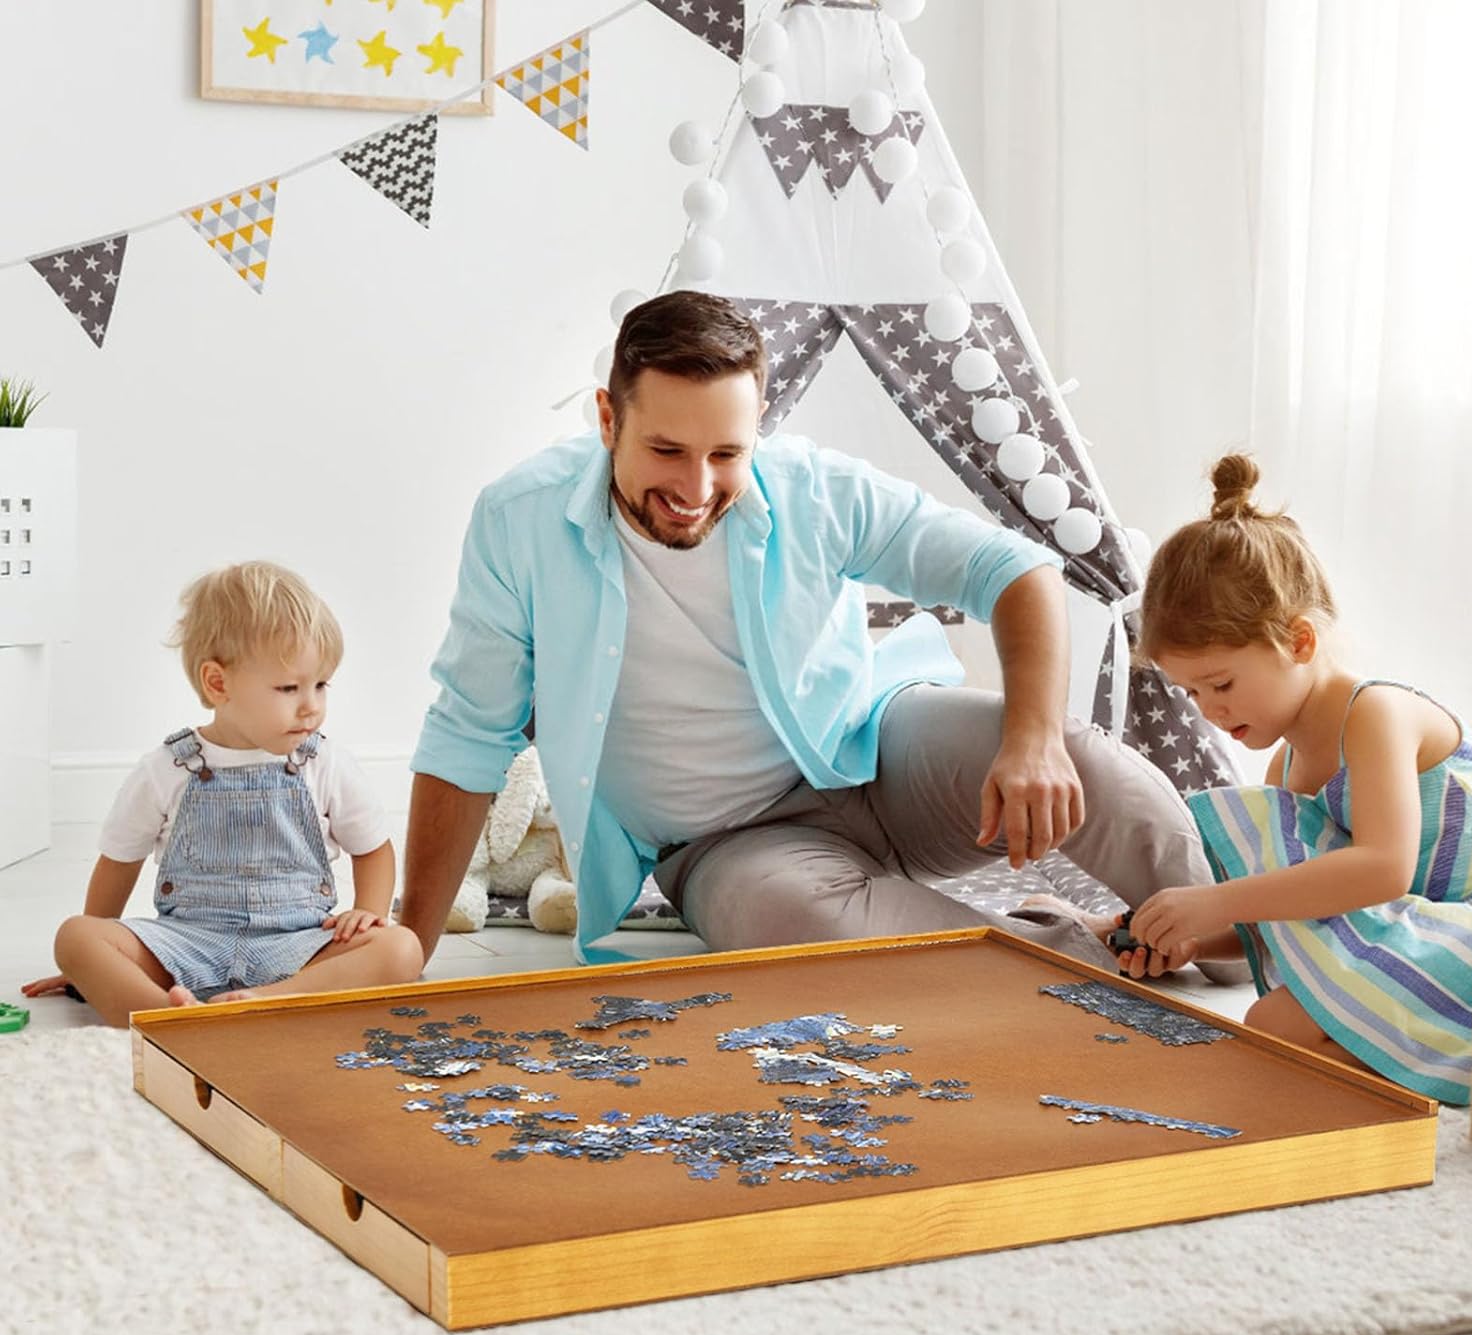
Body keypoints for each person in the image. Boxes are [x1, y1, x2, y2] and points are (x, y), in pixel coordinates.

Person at [399, 291, 1229, 973]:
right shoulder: (520, 520)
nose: (697, 487)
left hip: (879, 754)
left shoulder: (811, 489)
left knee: (1081, 760)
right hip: (726, 846)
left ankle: (1243, 936)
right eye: (668, 450)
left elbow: (1015, 570)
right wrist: (410, 947)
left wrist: (1034, 740)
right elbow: (469, 735)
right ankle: (1081, 954)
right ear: (608, 419)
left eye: (727, 454)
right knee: (806, 933)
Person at [1110, 453, 1472, 1105]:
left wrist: (1215, 902)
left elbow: (1383, 870)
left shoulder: (1376, 714)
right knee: (1274, 1026)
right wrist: (1192, 940)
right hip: (1414, 937)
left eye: (1222, 684)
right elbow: (1293, 918)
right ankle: (1434, 1057)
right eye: (1192, 694)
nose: (1209, 712)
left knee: (1276, 1027)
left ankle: (1450, 1061)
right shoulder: (1284, 767)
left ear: (1300, 642)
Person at [22, 562, 423, 1027]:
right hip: (187, 942)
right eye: (288, 687)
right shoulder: (167, 768)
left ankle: (270, 999)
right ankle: (168, 1018)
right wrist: (92, 963)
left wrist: (367, 912)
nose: (311, 706)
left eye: (320, 685)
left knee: (402, 947)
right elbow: (119, 862)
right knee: (75, 936)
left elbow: (373, 848)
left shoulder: (324, 762)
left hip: (297, 944)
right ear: (218, 683)